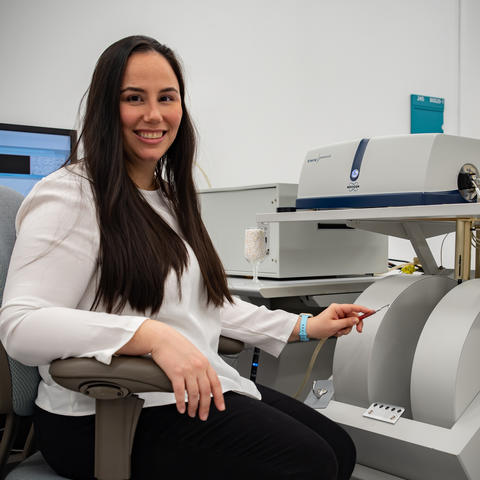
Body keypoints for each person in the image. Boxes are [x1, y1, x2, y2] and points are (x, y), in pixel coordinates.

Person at [0, 35, 373, 479]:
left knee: (339, 450)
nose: (154, 115)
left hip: (174, 392)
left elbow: (203, 304)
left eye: (167, 98)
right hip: (101, 415)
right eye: (133, 98)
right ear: (104, 107)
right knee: (310, 462)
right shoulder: (71, 195)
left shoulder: (171, 199)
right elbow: (21, 324)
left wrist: (304, 325)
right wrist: (152, 336)